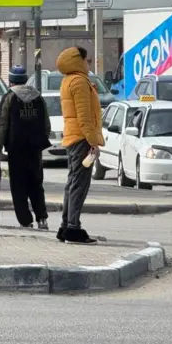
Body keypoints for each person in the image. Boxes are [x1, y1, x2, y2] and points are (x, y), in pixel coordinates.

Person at [56, 46, 103, 244]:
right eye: (87, 60)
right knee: (79, 185)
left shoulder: (70, 80)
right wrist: (93, 142)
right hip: (82, 139)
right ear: (78, 60)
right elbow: (84, 117)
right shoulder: (79, 82)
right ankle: (73, 228)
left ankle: (66, 225)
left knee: (73, 182)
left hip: (73, 137)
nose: (88, 63)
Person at [0, 64, 51, 230]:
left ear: (11, 81)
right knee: (36, 184)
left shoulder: (9, 98)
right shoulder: (38, 97)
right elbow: (46, 124)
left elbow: (2, 126)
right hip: (35, 148)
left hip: (16, 148)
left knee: (18, 185)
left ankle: (25, 221)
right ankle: (42, 218)